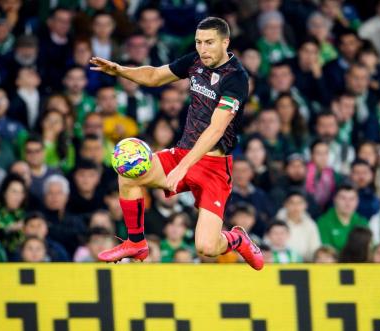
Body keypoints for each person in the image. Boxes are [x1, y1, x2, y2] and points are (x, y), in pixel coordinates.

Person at [89, 17, 263, 269]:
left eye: (209, 43)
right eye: (199, 42)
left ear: (225, 42)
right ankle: (136, 242)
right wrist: (120, 70)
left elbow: (216, 129)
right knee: (128, 173)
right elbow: (155, 76)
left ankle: (236, 239)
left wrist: (183, 168)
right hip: (182, 153)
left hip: (213, 168)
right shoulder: (195, 61)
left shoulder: (236, 78)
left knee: (206, 247)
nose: (203, 49)